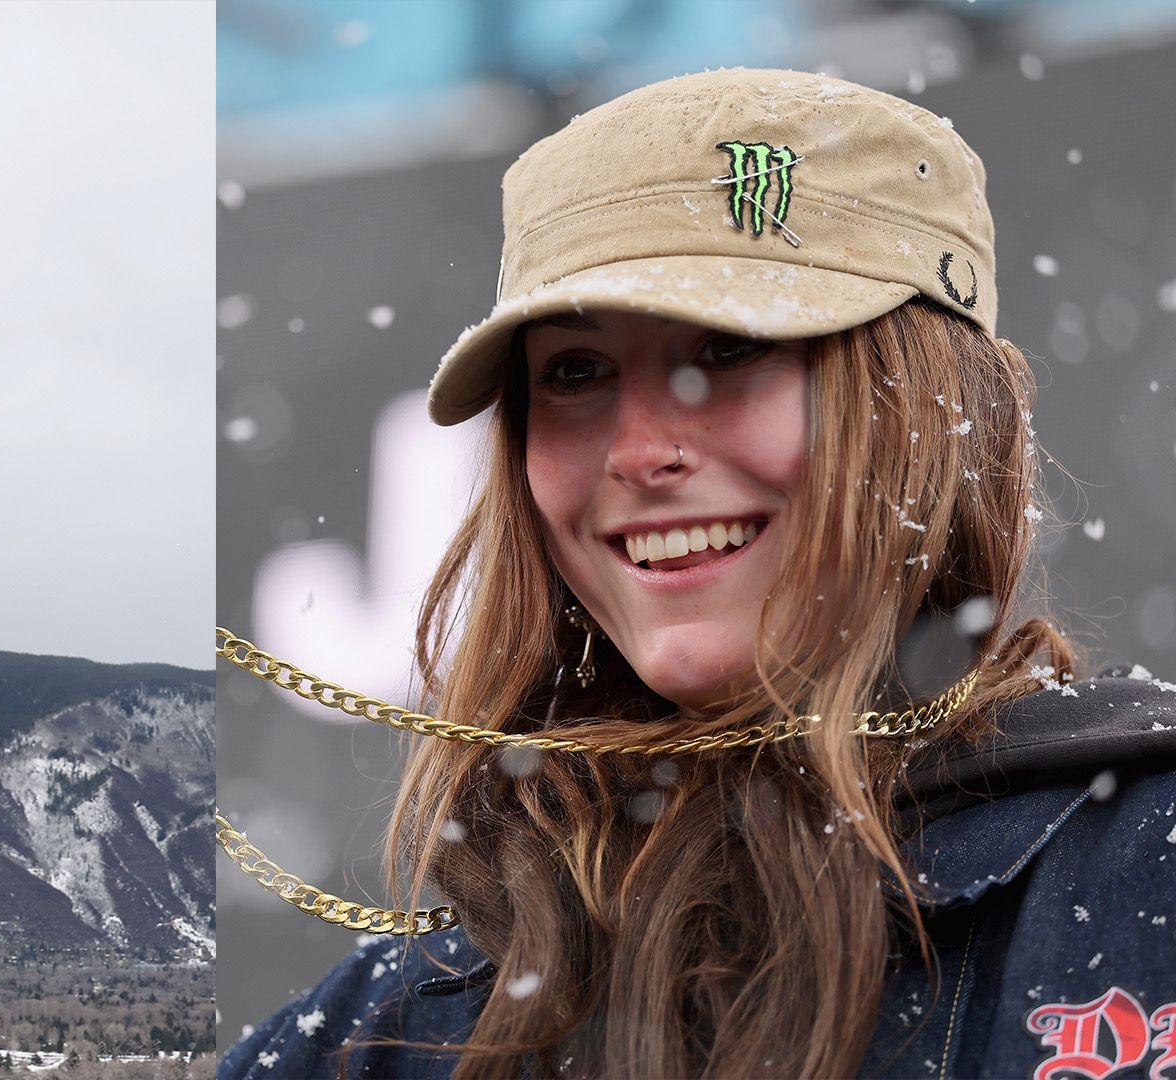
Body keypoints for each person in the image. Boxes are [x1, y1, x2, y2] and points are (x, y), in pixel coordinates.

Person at [220, 68, 1176, 1079]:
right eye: (575, 372)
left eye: (730, 346)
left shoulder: (1141, 875)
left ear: (927, 407)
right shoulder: (385, 1031)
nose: (639, 450)